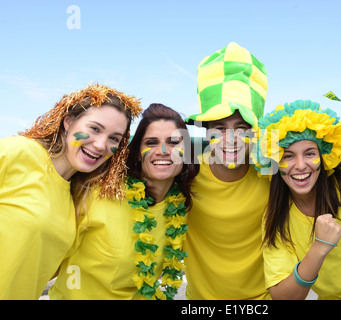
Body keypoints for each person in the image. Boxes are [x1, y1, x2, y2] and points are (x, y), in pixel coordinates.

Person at [0, 83, 142, 299]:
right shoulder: (18, 152)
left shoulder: (75, 200)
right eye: (94, 129)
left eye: (114, 138)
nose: (101, 144)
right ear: (68, 122)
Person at [49, 103, 198, 299]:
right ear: (137, 152)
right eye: (151, 142)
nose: (163, 150)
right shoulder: (97, 195)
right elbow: (44, 263)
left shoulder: (180, 206)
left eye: (173, 142)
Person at [254, 99, 341, 300]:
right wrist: (319, 248)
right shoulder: (276, 217)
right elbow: (284, 297)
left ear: (325, 156)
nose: (300, 165)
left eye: (310, 153)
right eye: (288, 156)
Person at [183, 42, 271, 299]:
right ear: (206, 131)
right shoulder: (184, 172)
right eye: (220, 127)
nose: (230, 138)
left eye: (242, 127)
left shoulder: (274, 172)